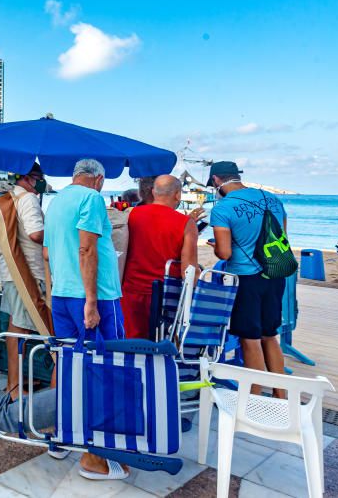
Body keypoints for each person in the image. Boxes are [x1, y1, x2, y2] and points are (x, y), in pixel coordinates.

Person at [43, 158, 128, 481]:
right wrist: (91, 300)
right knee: (104, 370)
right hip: (94, 297)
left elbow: (50, 253)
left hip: (63, 295)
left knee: (67, 366)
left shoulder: (57, 201)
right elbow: (87, 250)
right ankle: (94, 457)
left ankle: (60, 435)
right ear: (99, 179)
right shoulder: (91, 198)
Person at [209, 161, 289, 394]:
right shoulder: (272, 199)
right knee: (270, 335)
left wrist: (215, 246)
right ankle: (280, 394)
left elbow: (224, 253)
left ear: (216, 181)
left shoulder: (223, 208)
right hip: (274, 273)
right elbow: (282, 235)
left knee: (249, 338)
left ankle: (253, 397)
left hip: (246, 279)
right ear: (237, 176)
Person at [0, 164, 48, 401]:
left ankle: (15, 382)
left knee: (17, 327)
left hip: (10, 271)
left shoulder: (8, 199)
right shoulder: (28, 200)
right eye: (39, 178)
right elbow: (36, 233)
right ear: (27, 178)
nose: (42, 183)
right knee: (22, 330)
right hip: (28, 272)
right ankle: (15, 387)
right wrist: (57, 234)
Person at [121, 175, 199, 339]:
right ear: (177, 195)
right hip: (165, 295)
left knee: (129, 345)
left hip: (130, 291)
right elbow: (189, 271)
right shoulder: (185, 223)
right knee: (159, 346)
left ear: (153, 192)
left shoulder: (131, 215)